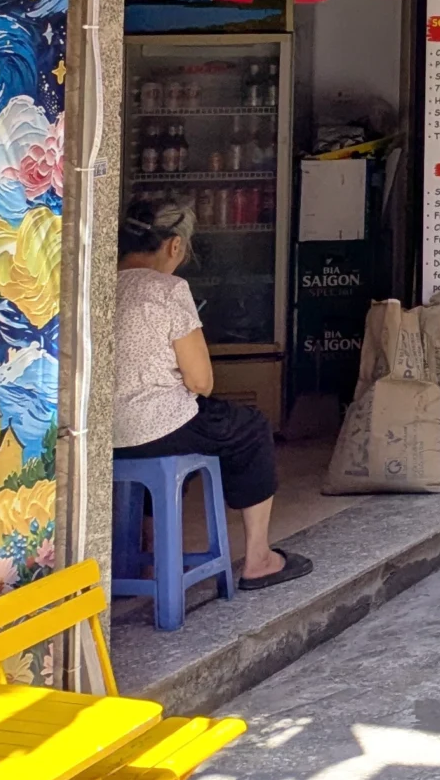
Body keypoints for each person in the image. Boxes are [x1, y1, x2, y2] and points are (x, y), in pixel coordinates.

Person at [114, 197, 310, 590]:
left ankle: (148, 552)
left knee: (179, 434)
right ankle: (258, 559)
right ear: (174, 245)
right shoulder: (169, 289)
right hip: (156, 428)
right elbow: (201, 382)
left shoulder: (95, 284)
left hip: (103, 431)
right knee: (249, 428)